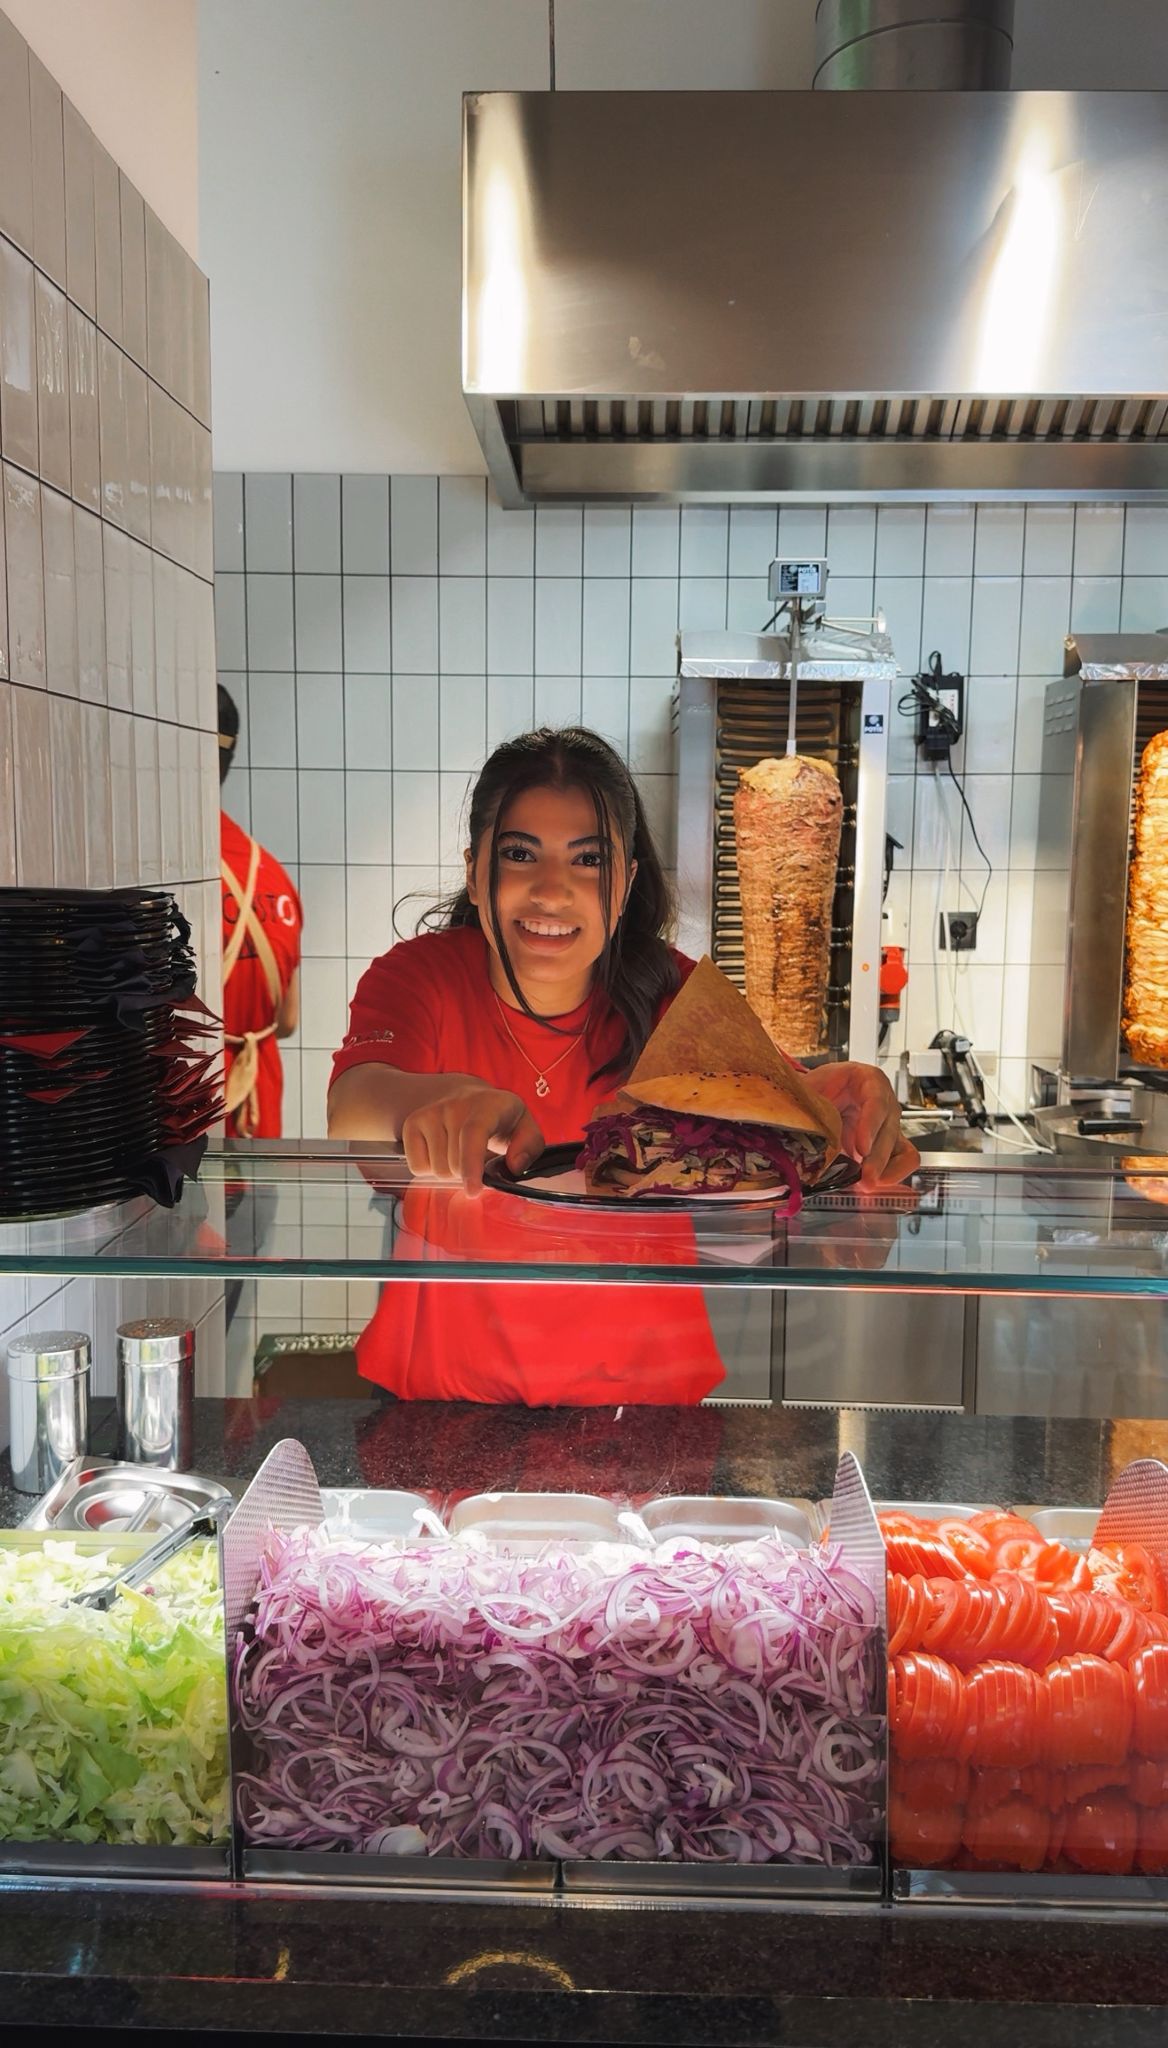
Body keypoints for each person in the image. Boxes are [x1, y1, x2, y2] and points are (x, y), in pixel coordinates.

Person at [328, 727, 918, 1406]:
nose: (551, 892)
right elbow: (354, 1099)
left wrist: (844, 1101)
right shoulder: (421, 977)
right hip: (448, 1400)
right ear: (474, 869)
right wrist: (443, 1098)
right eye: (520, 854)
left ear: (627, 881)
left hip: (641, 1401)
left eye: (588, 861)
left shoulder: (674, 995)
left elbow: (787, 1107)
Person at [218, 684, 303, 1138]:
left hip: (188, 1136)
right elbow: (286, 1021)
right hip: (262, 1129)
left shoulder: (160, 887)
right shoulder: (270, 874)